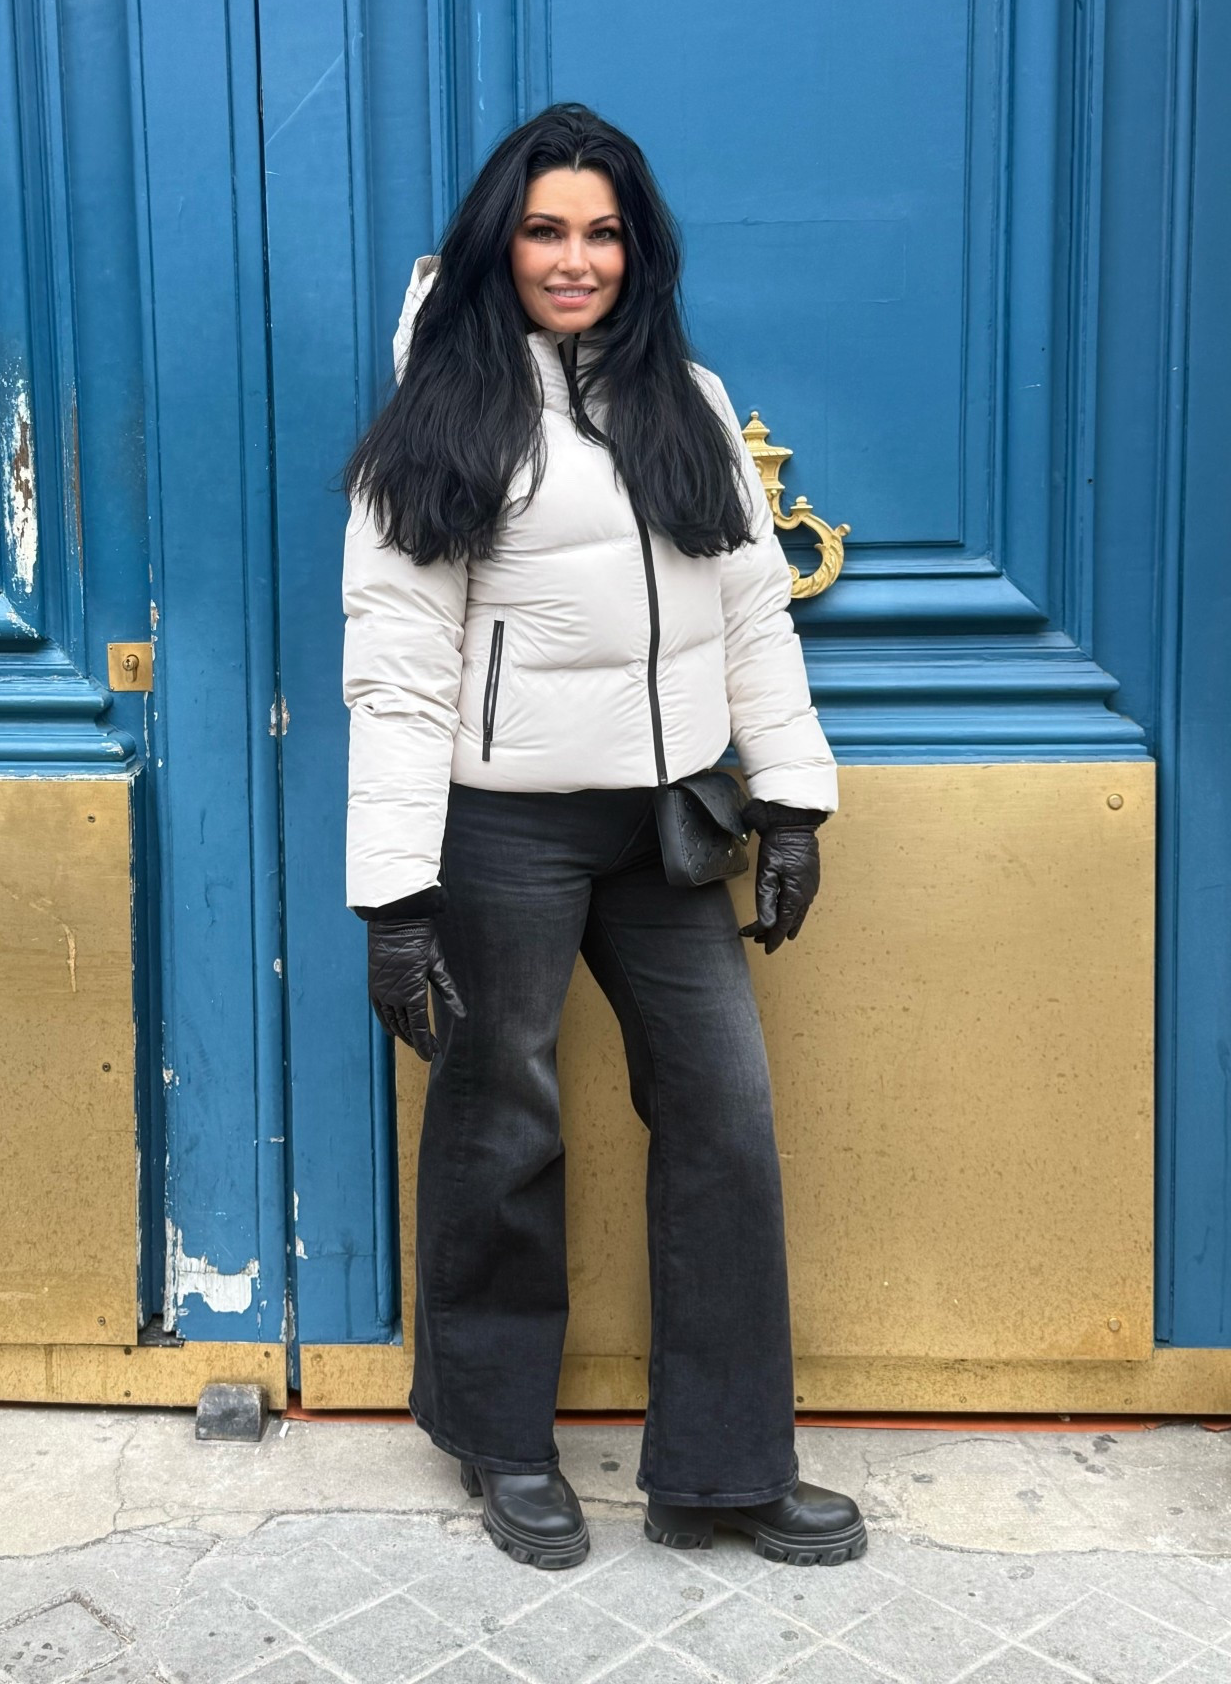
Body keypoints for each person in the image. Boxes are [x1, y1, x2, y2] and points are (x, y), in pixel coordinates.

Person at [341, 102, 865, 1571]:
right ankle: (502, 1441)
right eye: (547, 229)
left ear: (639, 249)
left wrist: (795, 797)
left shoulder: (686, 399)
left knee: (726, 1122)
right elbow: (394, 667)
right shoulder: (445, 419)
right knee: (502, 1122)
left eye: (603, 232)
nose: (577, 260)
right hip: (505, 829)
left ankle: (723, 1466)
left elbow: (750, 612)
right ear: (498, 245)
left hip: (674, 823)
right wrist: (395, 897)